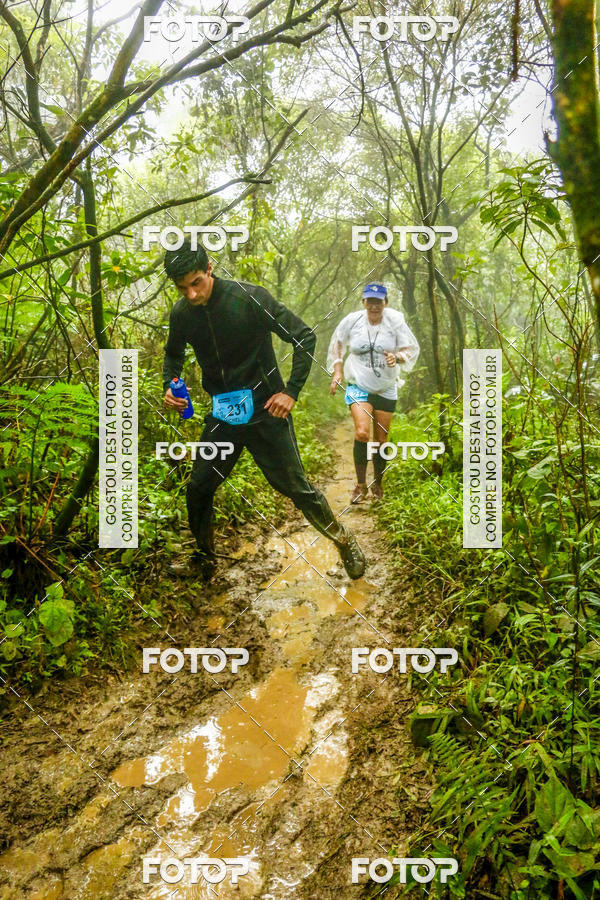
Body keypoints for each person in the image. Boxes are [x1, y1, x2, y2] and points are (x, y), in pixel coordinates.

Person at [161, 240, 366, 581]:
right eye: (183, 288)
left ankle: (344, 540)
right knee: (198, 487)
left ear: (209, 269)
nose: (192, 294)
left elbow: (304, 337)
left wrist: (291, 392)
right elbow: (173, 354)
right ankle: (204, 560)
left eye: (196, 283)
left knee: (297, 489)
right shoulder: (182, 314)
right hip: (223, 416)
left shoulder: (249, 298)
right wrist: (169, 384)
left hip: (267, 411)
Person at [327, 283, 420, 503]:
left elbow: (409, 349)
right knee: (361, 433)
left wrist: (397, 357)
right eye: (370, 301)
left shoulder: (395, 321)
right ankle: (360, 486)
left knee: (380, 439)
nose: (374, 306)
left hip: (386, 387)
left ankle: (378, 484)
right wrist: (337, 371)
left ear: (385, 303)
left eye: (378, 302)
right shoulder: (352, 321)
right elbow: (337, 344)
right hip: (358, 385)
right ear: (363, 302)